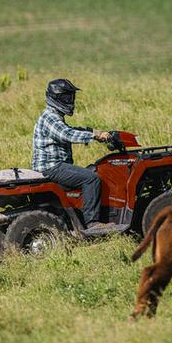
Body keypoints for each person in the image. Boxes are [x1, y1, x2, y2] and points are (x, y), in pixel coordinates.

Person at [32, 78, 114, 232]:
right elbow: (67, 134)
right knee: (91, 178)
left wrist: (94, 132)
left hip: (55, 166)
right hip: (52, 168)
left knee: (94, 170)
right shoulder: (49, 118)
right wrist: (95, 136)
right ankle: (93, 223)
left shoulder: (54, 116)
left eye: (71, 97)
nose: (70, 100)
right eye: (66, 97)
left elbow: (69, 129)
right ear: (56, 98)